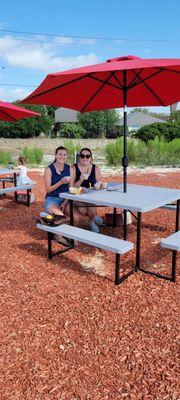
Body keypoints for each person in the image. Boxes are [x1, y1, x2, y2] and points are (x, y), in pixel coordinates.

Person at [70, 147, 103, 232]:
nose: (85, 158)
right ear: (79, 157)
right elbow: (71, 188)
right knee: (83, 210)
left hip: (91, 195)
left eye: (87, 156)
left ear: (91, 158)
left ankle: (91, 221)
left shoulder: (96, 169)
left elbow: (99, 186)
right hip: (77, 194)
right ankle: (93, 219)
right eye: (82, 156)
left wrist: (94, 189)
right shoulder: (73, 168)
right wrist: (80, 180)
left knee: (92, 209)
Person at [44, 146, 70, 216]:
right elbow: (48, 190)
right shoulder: (48, 170)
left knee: (75, 217)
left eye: (64, 155)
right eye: (60, 154)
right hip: (52, 199)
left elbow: (72, 188)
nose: (62, 157)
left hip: (66, 199)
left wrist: (65, 202)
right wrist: (61, 182)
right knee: (60, 216)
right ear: (55, 155)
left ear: (67, 156)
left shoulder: (70, 168)